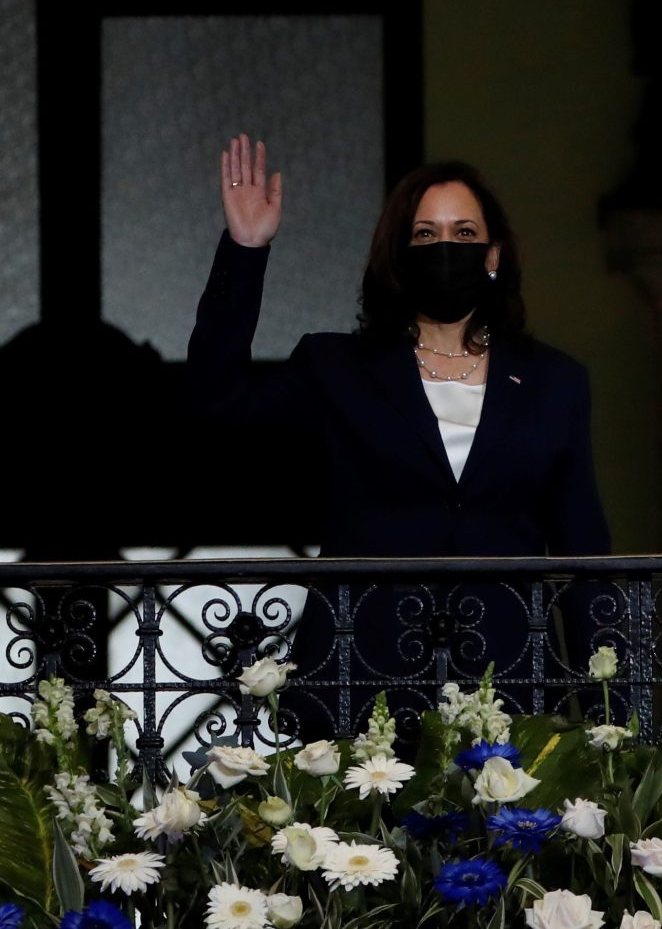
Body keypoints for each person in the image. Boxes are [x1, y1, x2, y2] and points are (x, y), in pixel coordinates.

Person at [188, 135, 612, 738]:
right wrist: (245, 250)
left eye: (464, 234)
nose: (446, 248)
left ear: (493, 255)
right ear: (400, 255)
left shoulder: (554, 382)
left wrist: (617, 721)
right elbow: (217, 401)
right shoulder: (337, 368)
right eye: (425, 235)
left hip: (510, 687)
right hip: (362, 681)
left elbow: (585, 551)